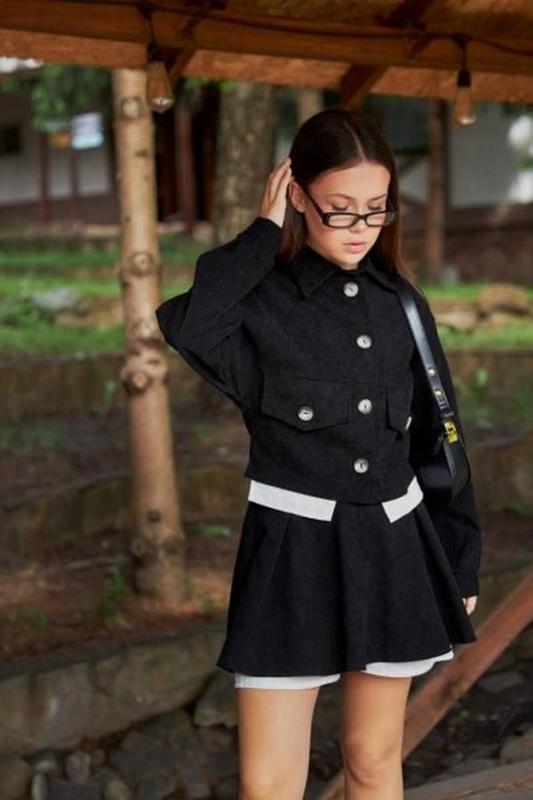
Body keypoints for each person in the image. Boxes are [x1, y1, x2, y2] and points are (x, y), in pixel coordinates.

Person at [155, 108, 483, 800]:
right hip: (291, 549)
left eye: (376, 209)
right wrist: (261, 232)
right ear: (298, 195)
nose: (361, 228)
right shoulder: (257, 301)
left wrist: (460, 555)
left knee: (372, 759)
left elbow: (439, 439)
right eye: (340, 209)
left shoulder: (402, 305)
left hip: (393, 544)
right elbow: (190, 324)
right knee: (270, 784)